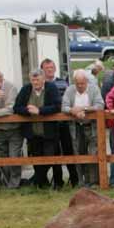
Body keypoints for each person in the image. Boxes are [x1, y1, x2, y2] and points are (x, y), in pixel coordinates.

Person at [13, 68, 61, 188]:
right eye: (33, 80)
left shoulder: (51, 88)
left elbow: (57, 106)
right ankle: (41, 184)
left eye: (38, 80)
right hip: (32, 133)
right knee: (36, 159)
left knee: (51, 158)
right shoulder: (26, 89)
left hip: (49, 132)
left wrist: (40, 110)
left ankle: (57, 183)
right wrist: (28, 110)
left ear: (43, 79)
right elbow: (17, 107)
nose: (35, 83)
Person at [61, 69, 105, 187]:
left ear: (87, 81)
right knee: (78, 152)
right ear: (74, 82)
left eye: (82, 83)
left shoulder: (94, 89)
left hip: (91, 126)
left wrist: (84, 109)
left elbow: (100, 105)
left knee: (93, 152)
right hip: (75, 127)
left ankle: (94, 181)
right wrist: (72, 111)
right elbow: (64, 106)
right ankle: (81, 181)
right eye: (77, 83)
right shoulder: (70, 90)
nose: (80, 86)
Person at [41, 58, 79, 187]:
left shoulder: (63, 83)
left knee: (69, 150)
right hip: (49, 124)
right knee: (54, 152)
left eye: (52, 67)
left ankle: (74, 180)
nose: (50, 70)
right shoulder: (41, 85)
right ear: (42, 70)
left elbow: (68, 100)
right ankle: (58, 181)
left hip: (65, 123)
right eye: (47, 68)